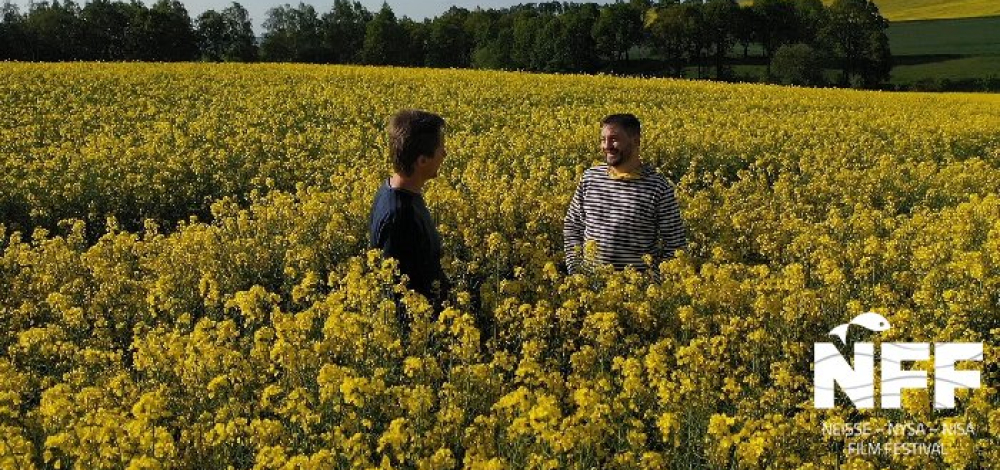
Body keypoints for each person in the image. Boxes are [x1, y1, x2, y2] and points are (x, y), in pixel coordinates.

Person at [563, 113, 686, 273]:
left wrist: (655, 284)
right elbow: (573, 225)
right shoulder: (590, 178)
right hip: (590, 286)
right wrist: (575, 268)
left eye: (614, 139)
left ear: (635, 141)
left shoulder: (657, 186)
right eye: (603, 139)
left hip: (637, 291)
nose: (606, 146)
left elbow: (675, 244)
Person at [370, 109, 450, 306]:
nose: (445, 154)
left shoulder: (397, 192)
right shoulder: (399, 216)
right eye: (441, 149)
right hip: (419, 325)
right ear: (422, 161)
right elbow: (395, 290)